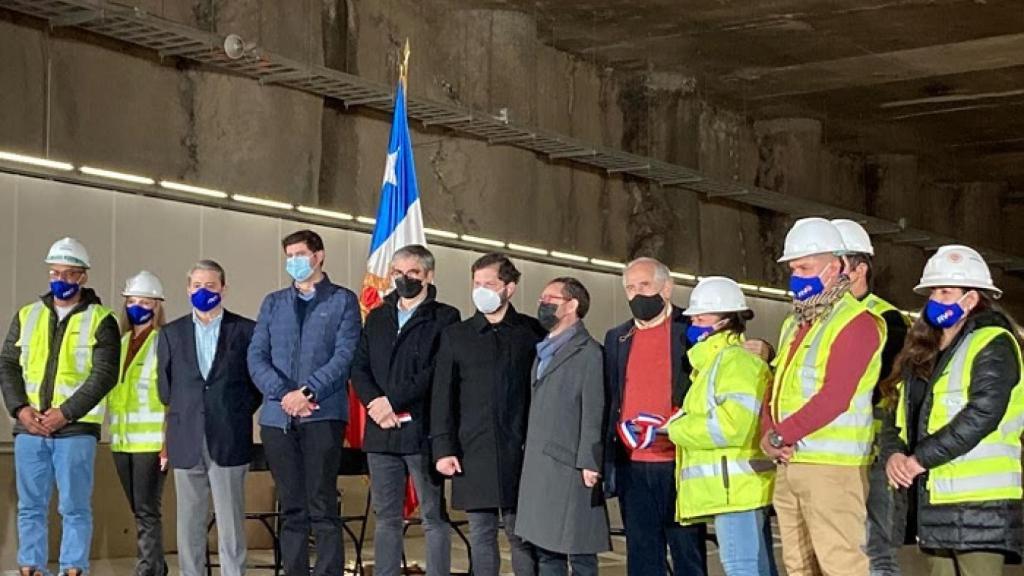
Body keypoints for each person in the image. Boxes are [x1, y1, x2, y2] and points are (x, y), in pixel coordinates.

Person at [880, 245, 1024, 576]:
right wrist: (893, 456)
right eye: (933, 291)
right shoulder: (922, 351)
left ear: (971, 299)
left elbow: (982, 415)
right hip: (933, 499)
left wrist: (917, 460)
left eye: (945, 291)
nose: (935, 299)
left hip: (980, 504)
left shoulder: (994, 343)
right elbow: (897, 416)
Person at [761, 217, 885, 576]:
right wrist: (767, 433)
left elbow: (835, 396)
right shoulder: (795, 322)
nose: (796, 275)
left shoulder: (856, 323)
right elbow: (776, 385)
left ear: (835, 268)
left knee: (841, 563)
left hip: (833, 468)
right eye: (793, 268)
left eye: (805, 267)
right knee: (798, 564)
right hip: (791, 462)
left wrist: (781, 434)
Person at [0, 237, 120, 576]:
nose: (60, 280)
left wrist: (64, 413)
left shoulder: (101, 320)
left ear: (83, 276)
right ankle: (31, 567)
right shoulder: (27, 315)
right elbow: (8, 364)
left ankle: (73, 568)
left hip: (76, 432)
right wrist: (21, 409)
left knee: (74, 507)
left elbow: (104, 375)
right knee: (30, 506)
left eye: (69, 274)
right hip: (29, 428)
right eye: (55, 273)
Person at [248, 229, 362, 576]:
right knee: (291, 505)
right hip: (277, 418)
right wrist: (284, 395)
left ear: (319, 256)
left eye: (300, 254)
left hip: (322, 416)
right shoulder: (273, 303)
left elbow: (345, 355)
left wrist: (308, 392)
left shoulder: (342, 301)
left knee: (322, 502)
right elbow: (257, 355)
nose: (293, 261)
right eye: (289, 256)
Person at [431, 252, 545, 576]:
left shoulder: (532, 333)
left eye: (490, 284)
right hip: (471, 450)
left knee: (521, 535)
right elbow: (443, 398)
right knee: (480, 534)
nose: (481, 290)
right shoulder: (457, 336)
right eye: (477, 283)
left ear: (509, 287)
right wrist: (443, 448)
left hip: (520, 450)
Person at [351, 244, 461, 576]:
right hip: (380, 432)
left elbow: (436, 371)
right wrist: (374, 403)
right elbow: (359, 367)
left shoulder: (445, 317)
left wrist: (392, 401)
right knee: (386, 517)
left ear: (429, 275)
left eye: (412, 272)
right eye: (397, 272)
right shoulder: (378, 316)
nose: (404, 278)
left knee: (432, 516)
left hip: (422, 432)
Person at [603, 257, 708, 576]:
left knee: (687, 552)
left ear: (667, 287)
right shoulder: (616, 338)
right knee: (642, 554)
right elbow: (611, 397)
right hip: (633, 465)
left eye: (644, 285)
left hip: (680, 462)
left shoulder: (692, 330)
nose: (637, 295)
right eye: (630, 288)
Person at [668, 276, 777, 576]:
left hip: (736, 491)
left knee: (742, 568)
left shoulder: (735, 362)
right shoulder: (713, 365)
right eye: (693, 317)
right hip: (736, 489)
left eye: (702, 317)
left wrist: (676, 428)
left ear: (726, 320)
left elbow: (732, 426)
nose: (695, 322)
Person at [158, 260, 261, 576]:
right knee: (189, 522)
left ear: (224, 289)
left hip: (228, 438)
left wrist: (235, 412)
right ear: (188, 289)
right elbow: (166, 388)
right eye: (197, 286)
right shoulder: (171, 333)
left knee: (230, 523)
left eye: (211, 286)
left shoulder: (246, 330)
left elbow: (255, 384)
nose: (203, 291)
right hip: (186, 438)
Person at [515, 277, 610, 576]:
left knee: (579, 547)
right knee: (546, 549)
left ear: (572, 305)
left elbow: (594, 410)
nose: (542, 304)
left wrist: (589, 462)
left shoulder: (589, 352)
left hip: (569, 465)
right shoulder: (544, 350)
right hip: (540, 464)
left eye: (550, 298)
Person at [832, 219, 910, 576]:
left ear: (859, 269)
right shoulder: (819, 317)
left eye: (835, 264)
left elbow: (879, 380)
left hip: (874, 448)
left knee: (875, 547)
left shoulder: (885, 318)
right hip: (833, 449)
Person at [107, 271, 169, 576]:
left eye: (145, 302)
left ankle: (146, 569)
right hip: (121, 441)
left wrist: (167, 441)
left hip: (151, 443)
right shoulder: (119, 344)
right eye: (132, 302)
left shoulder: (163, 343)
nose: (138, 307)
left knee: (146, 511)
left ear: (157, 306)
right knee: (139, 511)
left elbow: (173, 397)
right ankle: (157, 566)